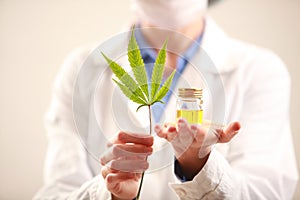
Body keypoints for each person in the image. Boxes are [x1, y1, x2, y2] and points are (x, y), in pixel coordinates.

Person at [34, 0, 298, 199]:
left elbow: (268, 192)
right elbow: (57, 192)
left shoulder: (258, 70)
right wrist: (110, 193)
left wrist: (200, 166)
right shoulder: (82, 68)